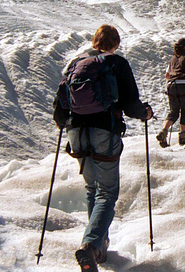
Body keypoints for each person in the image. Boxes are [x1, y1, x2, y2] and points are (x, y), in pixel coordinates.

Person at [52, 24, 153, 272]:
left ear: (95, 41)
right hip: (104, 130)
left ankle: (100, 246)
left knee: (92, 189)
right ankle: (91, 246)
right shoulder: (116, 63)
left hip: (76, 132)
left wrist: (66, 122)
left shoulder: (76, 63)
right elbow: (130, 104)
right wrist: (145, 113)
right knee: (107, 192)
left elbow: (59, 106)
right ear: (115, 43)